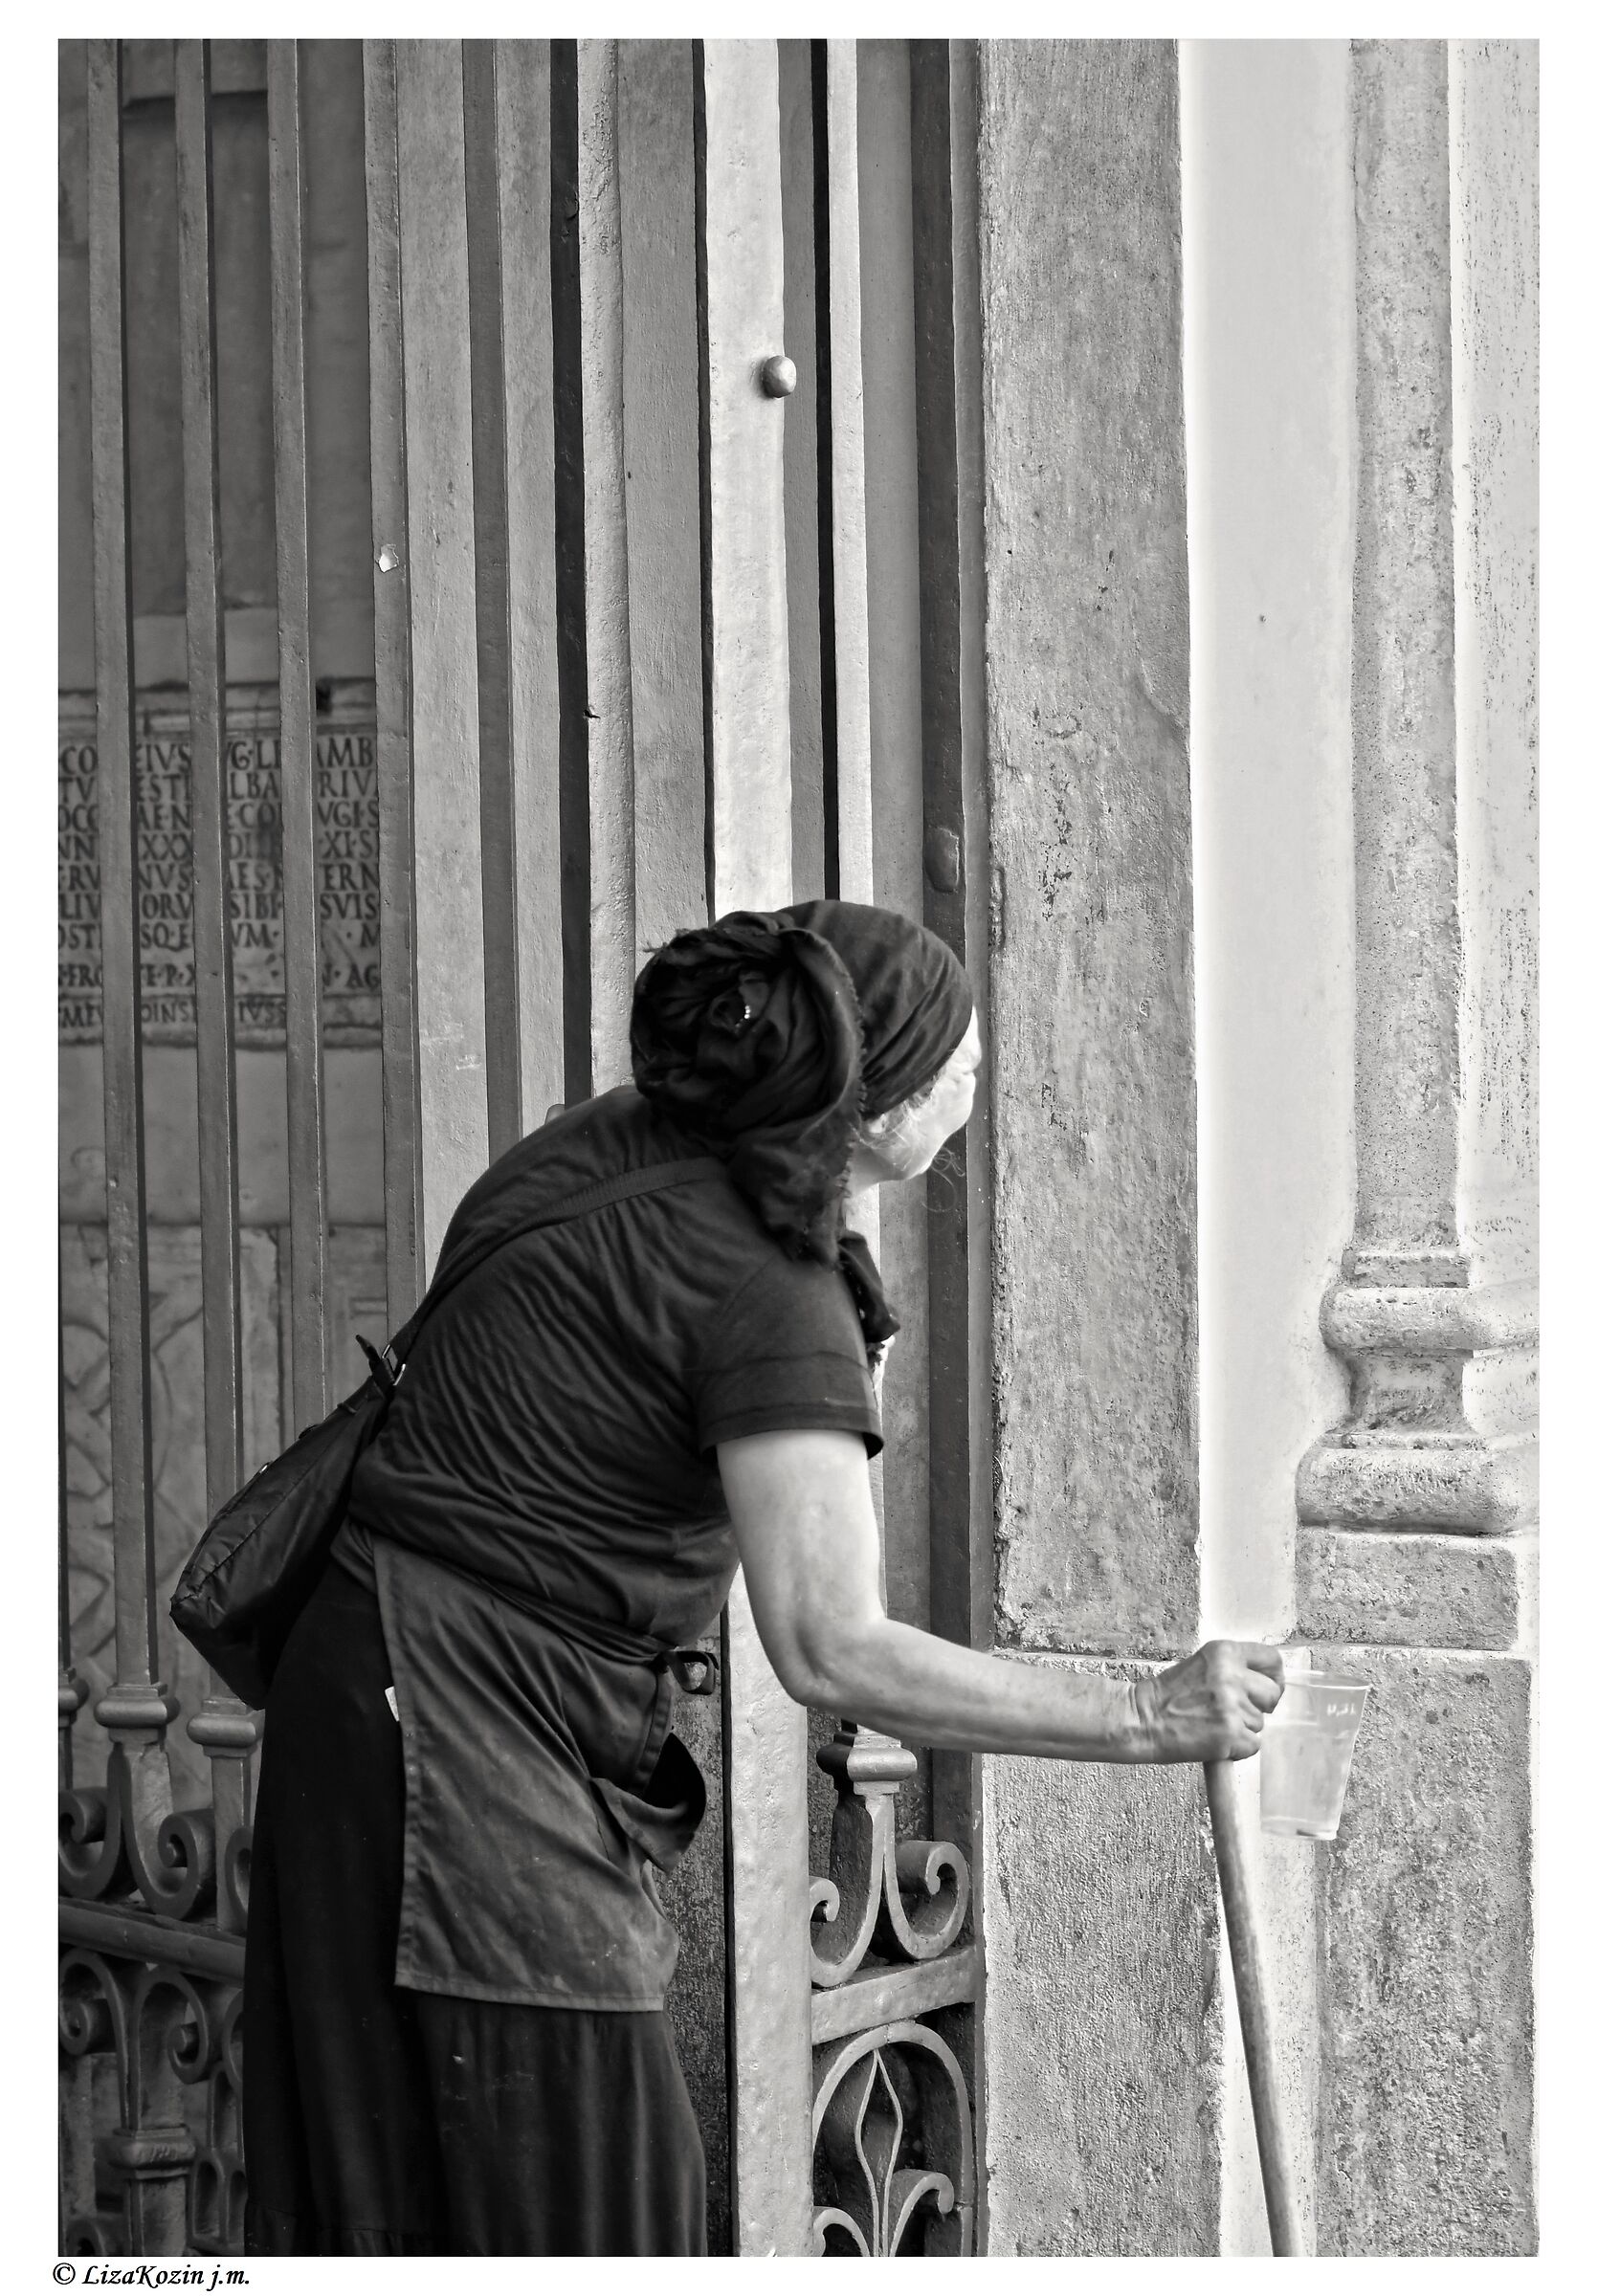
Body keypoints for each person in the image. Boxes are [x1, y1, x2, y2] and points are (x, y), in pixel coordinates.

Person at [241, 898, 1284, 2256]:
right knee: (594, 2211)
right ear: (874, 1103)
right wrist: (1145, 1715)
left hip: (360, 1687)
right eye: (956, 1059)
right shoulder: (767, 1290)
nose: (976, 1075)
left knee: (377, 2198)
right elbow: (829, 1646)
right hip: (458, 1729)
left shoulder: (600, 1141)